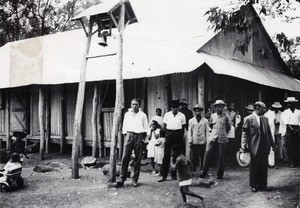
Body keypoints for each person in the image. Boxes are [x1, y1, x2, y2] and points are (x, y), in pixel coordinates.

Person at [241, 101, 275, 192]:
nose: (265, 110)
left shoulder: (265, 119)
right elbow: (245, 133)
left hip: (264, 146)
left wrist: (272, 144)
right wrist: (244, 146)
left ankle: (263, 184)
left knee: (264, 166)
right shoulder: (248, 119)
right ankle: (254, 185)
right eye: (263, 108)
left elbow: (269, 133)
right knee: (254, 166)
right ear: (257, 108)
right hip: (254, 146)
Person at [116, 98, 149, 188]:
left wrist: (145, 138)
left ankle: (135, 180)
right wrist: (125, 136)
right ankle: (122, 178)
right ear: (131, 105)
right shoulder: (127, 114)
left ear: (139, 105)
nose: (134, 106)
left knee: (137, 159)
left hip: (139, 136)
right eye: (133, 104)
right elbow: (124, 127)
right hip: (129, 135)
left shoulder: (143, 115)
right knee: (125, 157)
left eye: (136, 104)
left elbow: (146, 127)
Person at [200, 100, 231, 179]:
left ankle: (220, 174)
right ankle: (204, 172)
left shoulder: (226, 116)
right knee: (207, 153)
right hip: (213, 137)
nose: (220, 108)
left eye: (221, 107)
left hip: (222, 138)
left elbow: (228, 127)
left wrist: (223, 133)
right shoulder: (213, 116)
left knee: (220, 156)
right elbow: (211, 125)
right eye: (218, 107)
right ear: (215, 108)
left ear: (223, 108)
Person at [158, 100, 186, 182]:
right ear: (171, 108)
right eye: (173, 107)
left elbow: (183, 127)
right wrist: (166, 135)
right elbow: (165, 126)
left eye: (176, 107)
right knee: (166, 155)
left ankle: (176, 175)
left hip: (178, 134)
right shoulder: (167, 115)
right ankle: (164, 175)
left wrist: (182, 136)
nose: (174, 109)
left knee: (177, 155)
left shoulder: (182, 115)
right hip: (169, 134)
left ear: (178, 107)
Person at [279, 97, 300, 168]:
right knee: (290, 146)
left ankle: (297, 161)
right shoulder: (285, 112)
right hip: (289, 129)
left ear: (294, 104)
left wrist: (298, 129)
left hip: (297, 128)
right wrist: (292, 129)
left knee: (297, 146)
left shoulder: (298, 112)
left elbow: (299, 121)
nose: (289, 104)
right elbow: (286, 122)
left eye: (291, 103)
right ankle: (291, 162)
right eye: (288, 103)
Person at [188, 104, 209, 172]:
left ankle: (202, 169)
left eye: (199, 111)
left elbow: (207, 131)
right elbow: (190, 131)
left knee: (202, 156)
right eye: (196, 111)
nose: (198, 113)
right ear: (194, 112)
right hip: (194, 141)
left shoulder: (205, 121)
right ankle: (193, 170)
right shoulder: (191, 120)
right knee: (194, 157)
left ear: (202, 112)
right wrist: (190, 140)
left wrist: (207, 140)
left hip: (202, 141)